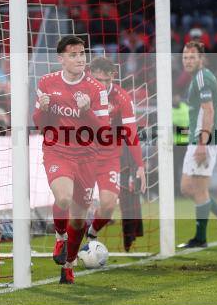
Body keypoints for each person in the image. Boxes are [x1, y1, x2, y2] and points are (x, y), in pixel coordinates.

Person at [33, 36, 110, 284]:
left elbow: (103, 131)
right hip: (58, 150)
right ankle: (59, 237)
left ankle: (68, 266)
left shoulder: (96, 89)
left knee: (78, 220)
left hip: (87, 156)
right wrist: (42, 109)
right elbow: (39, 124)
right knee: (63, 198)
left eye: (82, 54)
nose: (80, 59)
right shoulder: (47, 82)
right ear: (61, 59)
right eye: (74, 55)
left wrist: (86, 110)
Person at [178, 40, 217, 248]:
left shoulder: (203, 78)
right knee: (189, 188)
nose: (188, 61)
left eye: (192, 57)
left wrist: (203, 142)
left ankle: (201, 237)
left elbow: (210, 111)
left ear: (201, 58)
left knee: (196, 188)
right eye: (185, 57)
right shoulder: (198, 77)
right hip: (199, 139)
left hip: (205, 139)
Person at [88, 57, 146, 252]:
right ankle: (64, 241)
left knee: (109, 203)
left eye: (106, 80)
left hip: (110, 156)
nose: (102, 85)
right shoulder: (81, 92)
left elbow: (131, 132)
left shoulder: (122, 98)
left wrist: (141, 166)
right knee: (73, 204)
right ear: (90, 75)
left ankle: (92, 235)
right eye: (98, 80)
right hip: (82, 155)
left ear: (113, 76)